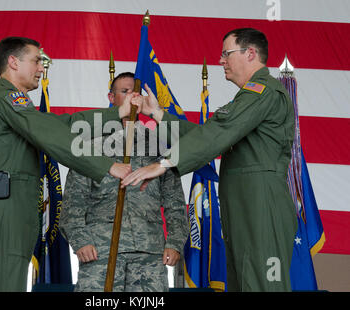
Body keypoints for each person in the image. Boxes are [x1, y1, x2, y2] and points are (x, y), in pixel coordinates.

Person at [122, 28, 298, 292]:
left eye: (227, 53)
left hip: (262, 204)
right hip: (246, 203)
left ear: (250, 53)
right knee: (245, 282)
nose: (221, 60)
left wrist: (163, 164)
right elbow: (209, 134)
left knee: (263, 283)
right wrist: (159, 115)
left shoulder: (263, 91)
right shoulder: (249, 98)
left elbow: (219, 131)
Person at [0, 37, 141, 292]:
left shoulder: (18, 106)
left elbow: (63, 125)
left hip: (12, 205)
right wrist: (106, 165)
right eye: (36, 60)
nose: (41, 67)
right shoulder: (5, 98)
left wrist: (116, 113)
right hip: (5, 207)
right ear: (13, 62)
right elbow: (49, 133)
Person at [60, 72, 188, 292]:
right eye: (124, 92)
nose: (132, 97)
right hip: (101, 251)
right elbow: (73, 203)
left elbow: (175, 204)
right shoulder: (92, 145)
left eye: (135, 92)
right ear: (112, 98)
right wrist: (80, 240)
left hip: (149, 253)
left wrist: (175, 242)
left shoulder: (159, 146)